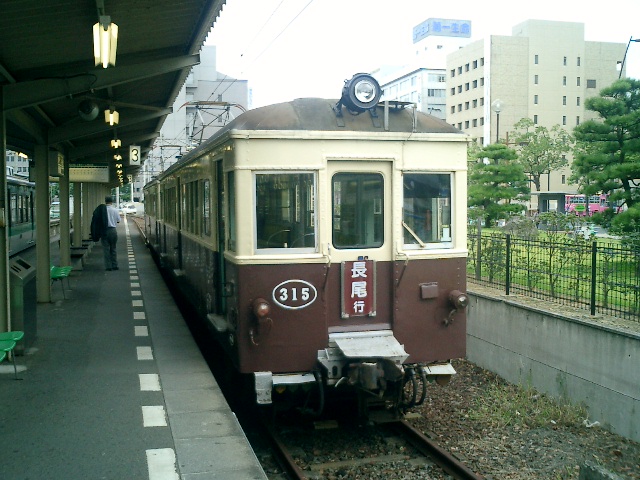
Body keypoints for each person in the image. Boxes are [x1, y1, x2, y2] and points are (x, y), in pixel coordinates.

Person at [91, 196, 120, 271]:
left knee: (106, 249)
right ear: (112, 201)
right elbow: (118, 220)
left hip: (104, 231)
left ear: (105, 201)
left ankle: (108, 266)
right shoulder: (115, 210)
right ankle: (115, 265)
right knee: (113, 248)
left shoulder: (102, 210)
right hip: (113, 231)